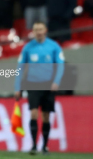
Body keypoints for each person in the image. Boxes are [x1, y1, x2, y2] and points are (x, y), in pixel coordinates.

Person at [14, 21, 65, 155]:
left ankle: (45, 146)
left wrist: (57, 81)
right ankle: (34, 145)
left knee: (46, 116)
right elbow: (20, 68)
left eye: (40, 29)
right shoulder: (28, 47)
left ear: (45, 30)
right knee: (34, 113)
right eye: (36, 29)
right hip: (33, 84)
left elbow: (61, 65)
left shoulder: (54, 46)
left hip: (48, 84)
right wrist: (17, 87)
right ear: (33, 31)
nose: (38, 32)